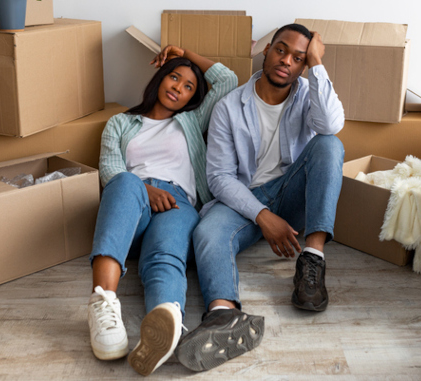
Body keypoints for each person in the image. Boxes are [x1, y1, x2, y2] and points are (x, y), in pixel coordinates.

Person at [174, 24, 345, 372]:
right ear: (266, 50)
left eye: (298, 58)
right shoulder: (229, 106)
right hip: (245, 199)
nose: (286, 61)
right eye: (281, 50)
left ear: (304, 65)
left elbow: (330, 126)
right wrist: (262, 216)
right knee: (206, 232)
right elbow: (220, 178)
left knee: (329, 144)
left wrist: (317, 64)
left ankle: (312, 260)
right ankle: (224, 316)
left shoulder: (309, 94)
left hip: (293, 190)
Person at [87, 45, 237, 376]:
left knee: (166, 255)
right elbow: (110, 170)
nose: (178, 88)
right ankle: (103, 304)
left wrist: (186, 54)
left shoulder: (192, 121)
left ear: (191, 100)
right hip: (132, 204)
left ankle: (167, 325)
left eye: (188, 87)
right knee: (125, 180)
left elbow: (227, 80)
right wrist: (145, 189)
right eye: (174, 77)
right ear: (159, 78)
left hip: (178, 202)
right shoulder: (120, 123)